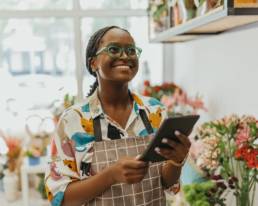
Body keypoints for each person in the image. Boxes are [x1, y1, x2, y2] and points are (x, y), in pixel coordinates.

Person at [45, 26, 191, 206]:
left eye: (131, 51)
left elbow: (164, 183)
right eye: (114, 49)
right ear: (93, 63)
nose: (125, 56)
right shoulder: (72, 120)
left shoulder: (155, 111)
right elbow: (61, 198)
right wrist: (110, 175)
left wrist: (176, 162)